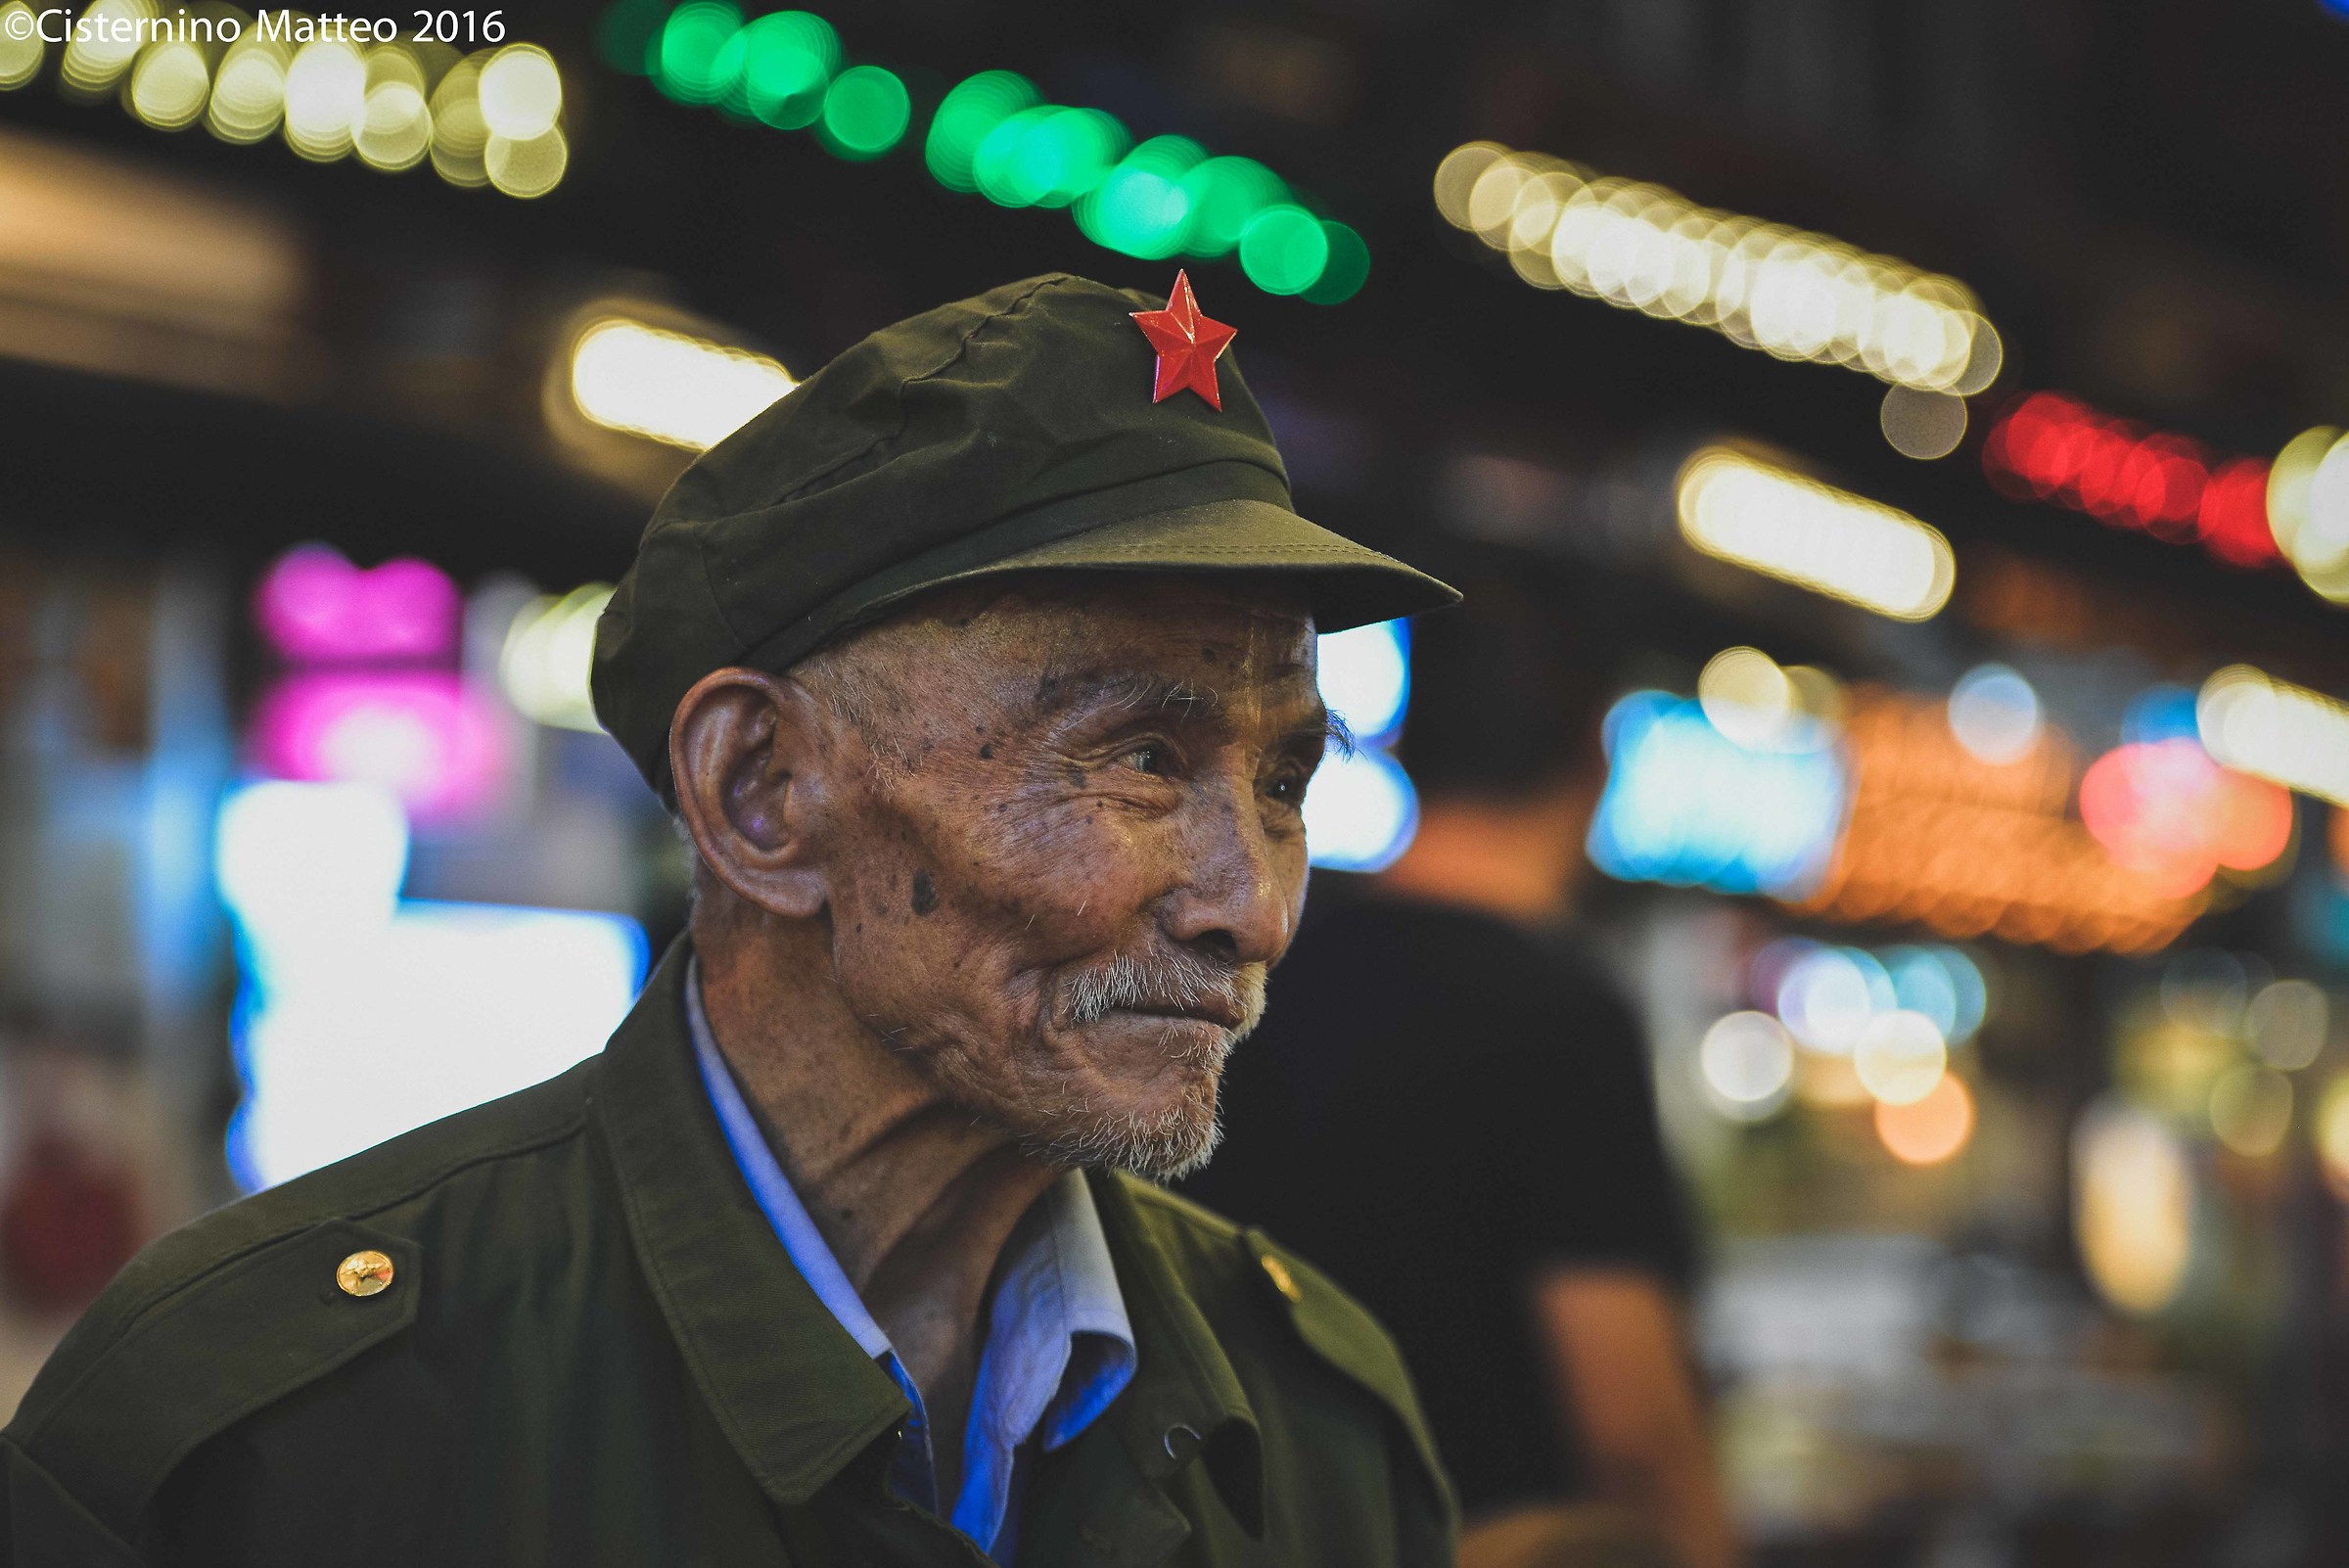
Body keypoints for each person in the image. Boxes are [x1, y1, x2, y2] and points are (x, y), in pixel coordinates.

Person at [0, 273, 1462, 1566]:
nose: (1254, 907)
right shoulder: (272, 1427)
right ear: (762, 792)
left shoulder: (1320, 1427)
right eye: (1143, 758)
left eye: (1282, 780)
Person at [1182, 563, 1740, 1568]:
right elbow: (1636, 1440)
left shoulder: (1263, 967)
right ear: (1596, 757)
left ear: (1401, 743)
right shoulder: (1563, 1018)